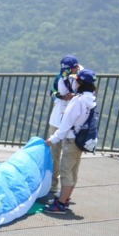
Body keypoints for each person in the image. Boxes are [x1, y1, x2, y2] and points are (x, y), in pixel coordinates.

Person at [44, 69, 97, 213]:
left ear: (80, 83)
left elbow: (66, 125)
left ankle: (60, 204)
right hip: (81, 140)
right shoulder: (91, 100)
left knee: (65, 171)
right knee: (73, 170)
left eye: (76, 80)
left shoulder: (77, 101)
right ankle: (65, 198)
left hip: (72, 140)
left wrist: (52, 140)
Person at [47, 55, 83, 198]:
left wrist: (74, 96)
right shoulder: (60, 76)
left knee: (71, 160)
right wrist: (61, 97)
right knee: (54, 155)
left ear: (76, 67)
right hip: (57, 120)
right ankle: (52, 185)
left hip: (73, 124)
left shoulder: (83, 77)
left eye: (69, 70)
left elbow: (88, 96)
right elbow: (52, 92)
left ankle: (66, 192)